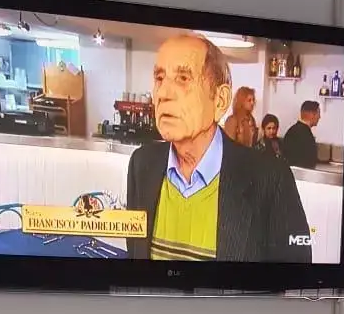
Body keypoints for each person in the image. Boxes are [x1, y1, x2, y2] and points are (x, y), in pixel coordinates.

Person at [125, 34, 309, 263]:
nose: (162, 94)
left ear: (220, 100)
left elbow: (294, 276)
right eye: (159, 78)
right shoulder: (141, 164)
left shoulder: (271, 179)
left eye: (183, 78)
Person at [282, 102, 321, 169]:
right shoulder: (304, 133)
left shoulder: (294, 130)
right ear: (312, 115)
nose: (319, 117)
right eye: (318, 114)